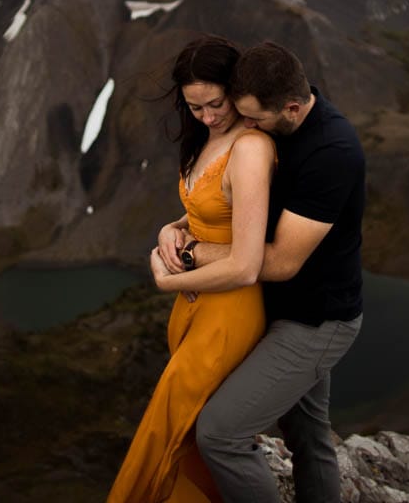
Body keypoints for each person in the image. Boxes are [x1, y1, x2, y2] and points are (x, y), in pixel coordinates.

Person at [172, 42, 366, 503]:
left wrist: (192, 253)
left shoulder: (332, 153)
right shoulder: (276, 115)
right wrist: (178, 224)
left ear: (292, 108)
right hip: (278, 308)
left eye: (254, 120)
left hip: (315, 320)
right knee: (308, 435)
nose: (247, 129)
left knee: (220, 433)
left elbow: (277, 262)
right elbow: (240, 205)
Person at [107, 35, 276, 503]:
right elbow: (210, 210)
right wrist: (171, 227)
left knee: (167, 425)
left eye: (216, 103)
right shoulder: (211, 137)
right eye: (195, 107)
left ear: (236, 88)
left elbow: (245, 264)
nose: (207, 117)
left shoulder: (250, 148)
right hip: (197, 306)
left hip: (229, 312)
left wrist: (170, 278)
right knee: (187, 432)